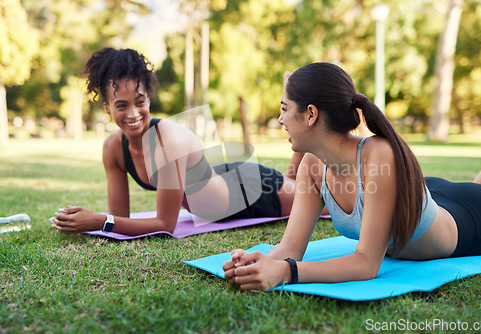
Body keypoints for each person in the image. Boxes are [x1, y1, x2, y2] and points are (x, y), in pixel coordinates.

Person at [223, 62, 481, 291]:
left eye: (284, 109)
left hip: (474, 218)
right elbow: (291, 247)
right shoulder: (312, 166)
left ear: (310, 114)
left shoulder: (378, 155)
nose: (280, 120)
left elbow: (366, 263)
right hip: (433, 196)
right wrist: (256, 263)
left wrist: (285, 272)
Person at [50, 48, 319, 236]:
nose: (133, 114)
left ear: (149, 99)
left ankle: (305, 112)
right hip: (223, 179)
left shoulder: (168, 141)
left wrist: (99, 221)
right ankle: (295, 105)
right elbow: (120, 215)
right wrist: (90, 220)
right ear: (107, 107)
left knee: (322, 197)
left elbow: (165, 224)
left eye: (140, 102)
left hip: (252, 194)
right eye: (121, 105)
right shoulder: (113, 148)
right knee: (295, 179)